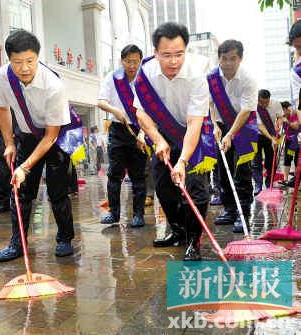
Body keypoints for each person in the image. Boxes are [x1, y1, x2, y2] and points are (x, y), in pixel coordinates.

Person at [0, 29, 76, 262]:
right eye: (17, 62)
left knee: (58, 191)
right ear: (9, 60)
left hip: (55, 137)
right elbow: (1, 108)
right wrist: (9, 142)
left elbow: (50, 137)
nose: (24, 68)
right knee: (20, 191)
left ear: (38, 57)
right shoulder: (3, 77)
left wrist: (25, 166)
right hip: (27, 136)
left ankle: (65, 238)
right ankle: (17, 243)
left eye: (30, 61)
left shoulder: (53, 85)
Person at [134, 22, 216, 261]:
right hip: (164, 134)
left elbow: (194, 123)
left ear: (186, 51)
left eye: (179, 54)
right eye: (166, 55)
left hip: (194, 131)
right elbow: (141, 113)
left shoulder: (197, 75)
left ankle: (193, 241)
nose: (173, 62)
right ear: (155, 52)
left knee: (196, 188)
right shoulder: (145, 74)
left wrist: (182, 162)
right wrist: (158, 140)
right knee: (163, 187)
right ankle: (178, 231)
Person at [208, 39, 258, 233]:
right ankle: (229, 210)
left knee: (242, 169)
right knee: (223, 168)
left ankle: (243, 213)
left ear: (240, 59)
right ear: (219, 58)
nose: (228, 63)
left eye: (233, 58)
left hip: (244, 125)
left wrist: (230, 134)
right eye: (224, 58)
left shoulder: (248, 79)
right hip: (221, 125)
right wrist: (214, 125)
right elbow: (210, 104)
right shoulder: (211, 78)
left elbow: (246, 110)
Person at [97, 44, 147, 227]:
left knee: (138, 175)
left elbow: (151, 109)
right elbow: (101, 101)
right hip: (118, 130)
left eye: (135, 62)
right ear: (122, 61)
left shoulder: (146, 79)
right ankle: (114, 213)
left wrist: (144, 132)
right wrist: (115, 110)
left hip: (141, 130)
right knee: (114, 174)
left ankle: (138, 215)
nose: (131, 66)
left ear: (140, 61)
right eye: (128, 61)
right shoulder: (113, 78)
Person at [252, 89, 282, 195]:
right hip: (256, 136)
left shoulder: (276, 104)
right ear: (257, 100)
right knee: (256, 161)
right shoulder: (253, 107)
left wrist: (279, 122)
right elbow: (259, 126)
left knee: (271, 160)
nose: (264, 105)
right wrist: (272, 138)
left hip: (272, 134)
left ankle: (269, 182)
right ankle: (258, 185)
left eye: (266, 102)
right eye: (261, 102)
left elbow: (280, 117)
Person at [279, 101, 299, 187]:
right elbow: (280, 129)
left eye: (282, 110)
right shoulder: (282, 117)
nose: (282, 112)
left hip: (296, 141)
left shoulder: (295, 115)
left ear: (287, 109)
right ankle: (285, 179)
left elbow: (296, 126)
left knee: (296, 160)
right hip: (288, 141)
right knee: (287, 159)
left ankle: (296, 180)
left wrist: (287, 121)